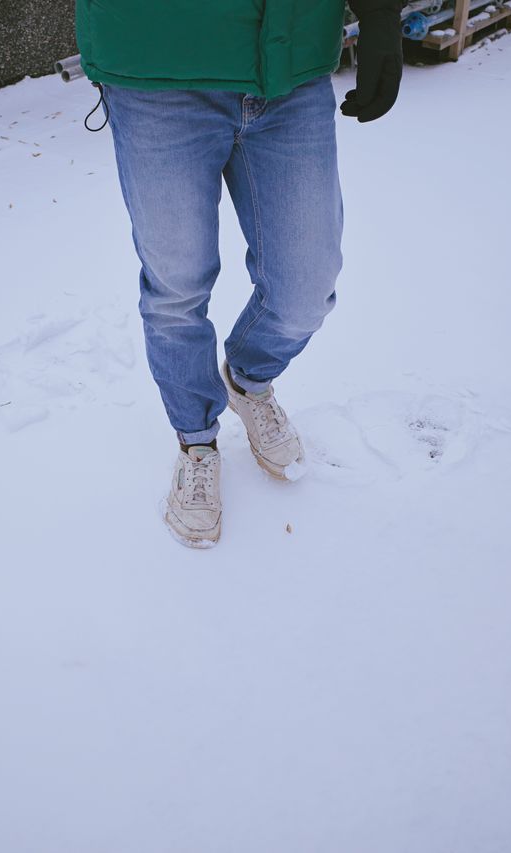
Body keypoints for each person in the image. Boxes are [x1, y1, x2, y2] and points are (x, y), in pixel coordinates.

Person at [75, 0, 404, 548]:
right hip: (157, 68)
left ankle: (248, 380)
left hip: (289, 65)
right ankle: (197, 440)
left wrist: (381, 14)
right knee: (177, 287)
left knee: (307, 286)